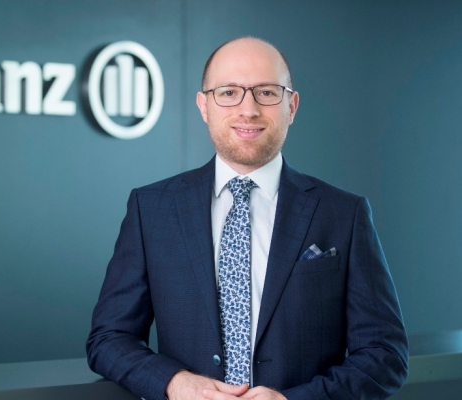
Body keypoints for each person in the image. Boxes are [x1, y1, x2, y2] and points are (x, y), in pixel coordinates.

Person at [86, 37, 408, 400]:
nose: (249, 110)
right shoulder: (152, 209)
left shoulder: (344, 214)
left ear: (292, 106)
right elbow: (109, 339)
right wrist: (174, 383)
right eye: (228, 93)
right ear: (204, 106)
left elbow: (385, 354)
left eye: (267, 92)